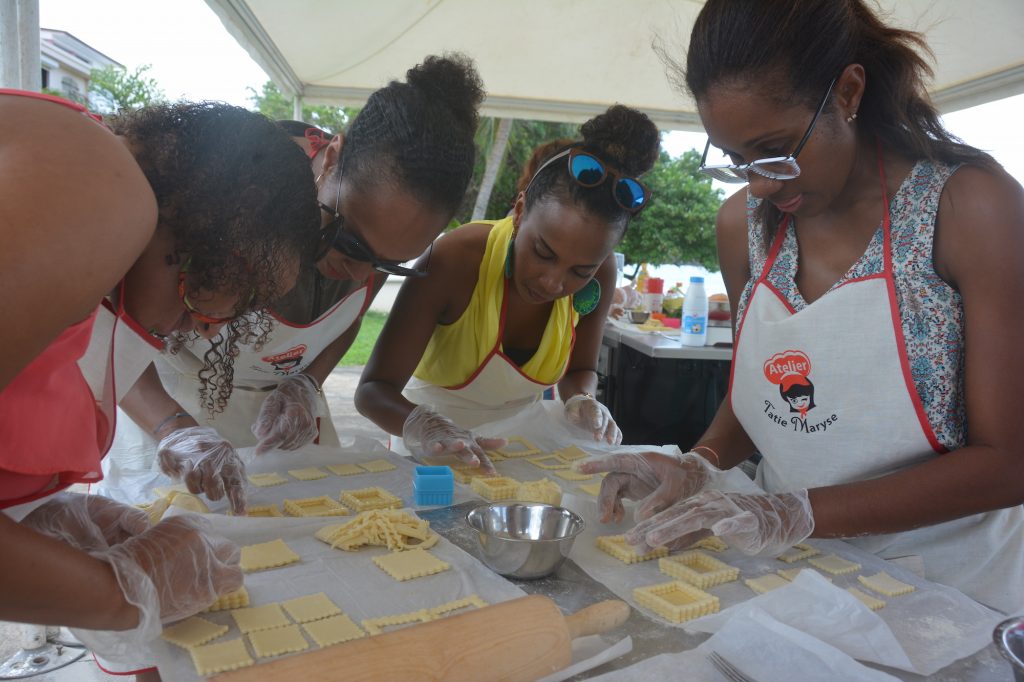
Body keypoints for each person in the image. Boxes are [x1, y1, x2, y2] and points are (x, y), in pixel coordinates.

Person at [581, 0, 1024, 612]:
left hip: (950, 590)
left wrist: (798, 509)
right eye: (738, 160)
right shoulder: (744, 227)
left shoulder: (971, 209)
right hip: (790, 574)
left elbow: (1008, 463)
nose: (760, 183)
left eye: (775, 148)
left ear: (847, 91)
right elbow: (757, 402)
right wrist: (700, 464)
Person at [0, 92, 321, 667]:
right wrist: (120, 590)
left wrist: (37, 523)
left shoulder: (99, 227)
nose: (207, 322)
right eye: (242, 295)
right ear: (230, 225)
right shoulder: (107, 192)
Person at [96, 54, 485, 509]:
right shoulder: (238, 189)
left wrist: (307, 384)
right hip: (166, 407)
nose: (361, 273)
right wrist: (171, 428)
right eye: (353, 243)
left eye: (387, 263)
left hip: (281, 428)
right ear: (333, 160)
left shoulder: (373, 245)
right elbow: (114, 327)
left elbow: (348, 321)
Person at [355, 105, 660, 471]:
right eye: (543, 252)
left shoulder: (602, 272)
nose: (553, 282)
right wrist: (425, 425)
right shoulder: (457, 258)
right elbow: (373, 390)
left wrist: (582, 400)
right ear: (519, 211)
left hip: (523, 453)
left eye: (580, 270)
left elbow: (581, 371)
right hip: (430, 454)